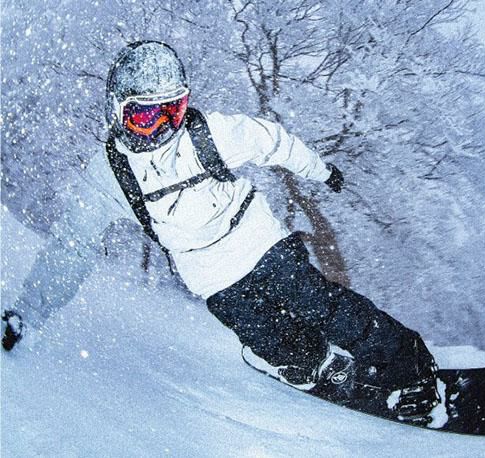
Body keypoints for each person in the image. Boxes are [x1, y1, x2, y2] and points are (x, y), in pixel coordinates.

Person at [2, 41, 439, 419]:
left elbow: (272, 141)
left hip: (258, 241)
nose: (162, 128)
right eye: (146, 117)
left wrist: (321, 171)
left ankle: (409, 368)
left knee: (318, 303)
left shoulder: (207, 134)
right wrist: (29, 314)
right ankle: (312, 363)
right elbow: (71, 249)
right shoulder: (110, 177)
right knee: (265, 334)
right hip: (211, 276)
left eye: (173, 111)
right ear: (117, 113)